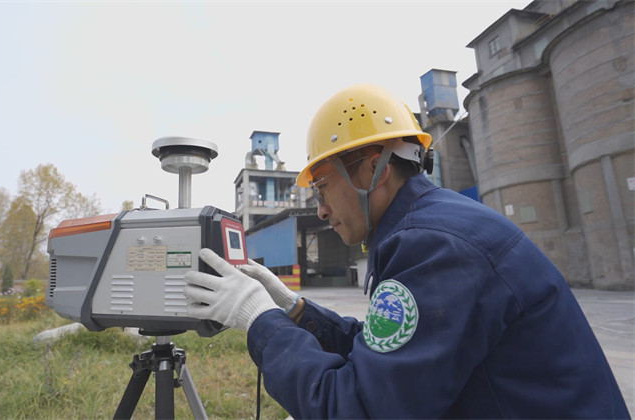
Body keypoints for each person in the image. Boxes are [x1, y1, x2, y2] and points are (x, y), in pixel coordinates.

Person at [184, 84, 629, 419]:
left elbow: (357, 408)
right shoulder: (433, 228)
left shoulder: (435, 248)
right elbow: (385, 356)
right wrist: (295, 311)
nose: (319, 209)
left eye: (321, 187)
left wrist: (260, 321)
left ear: (373, 169)